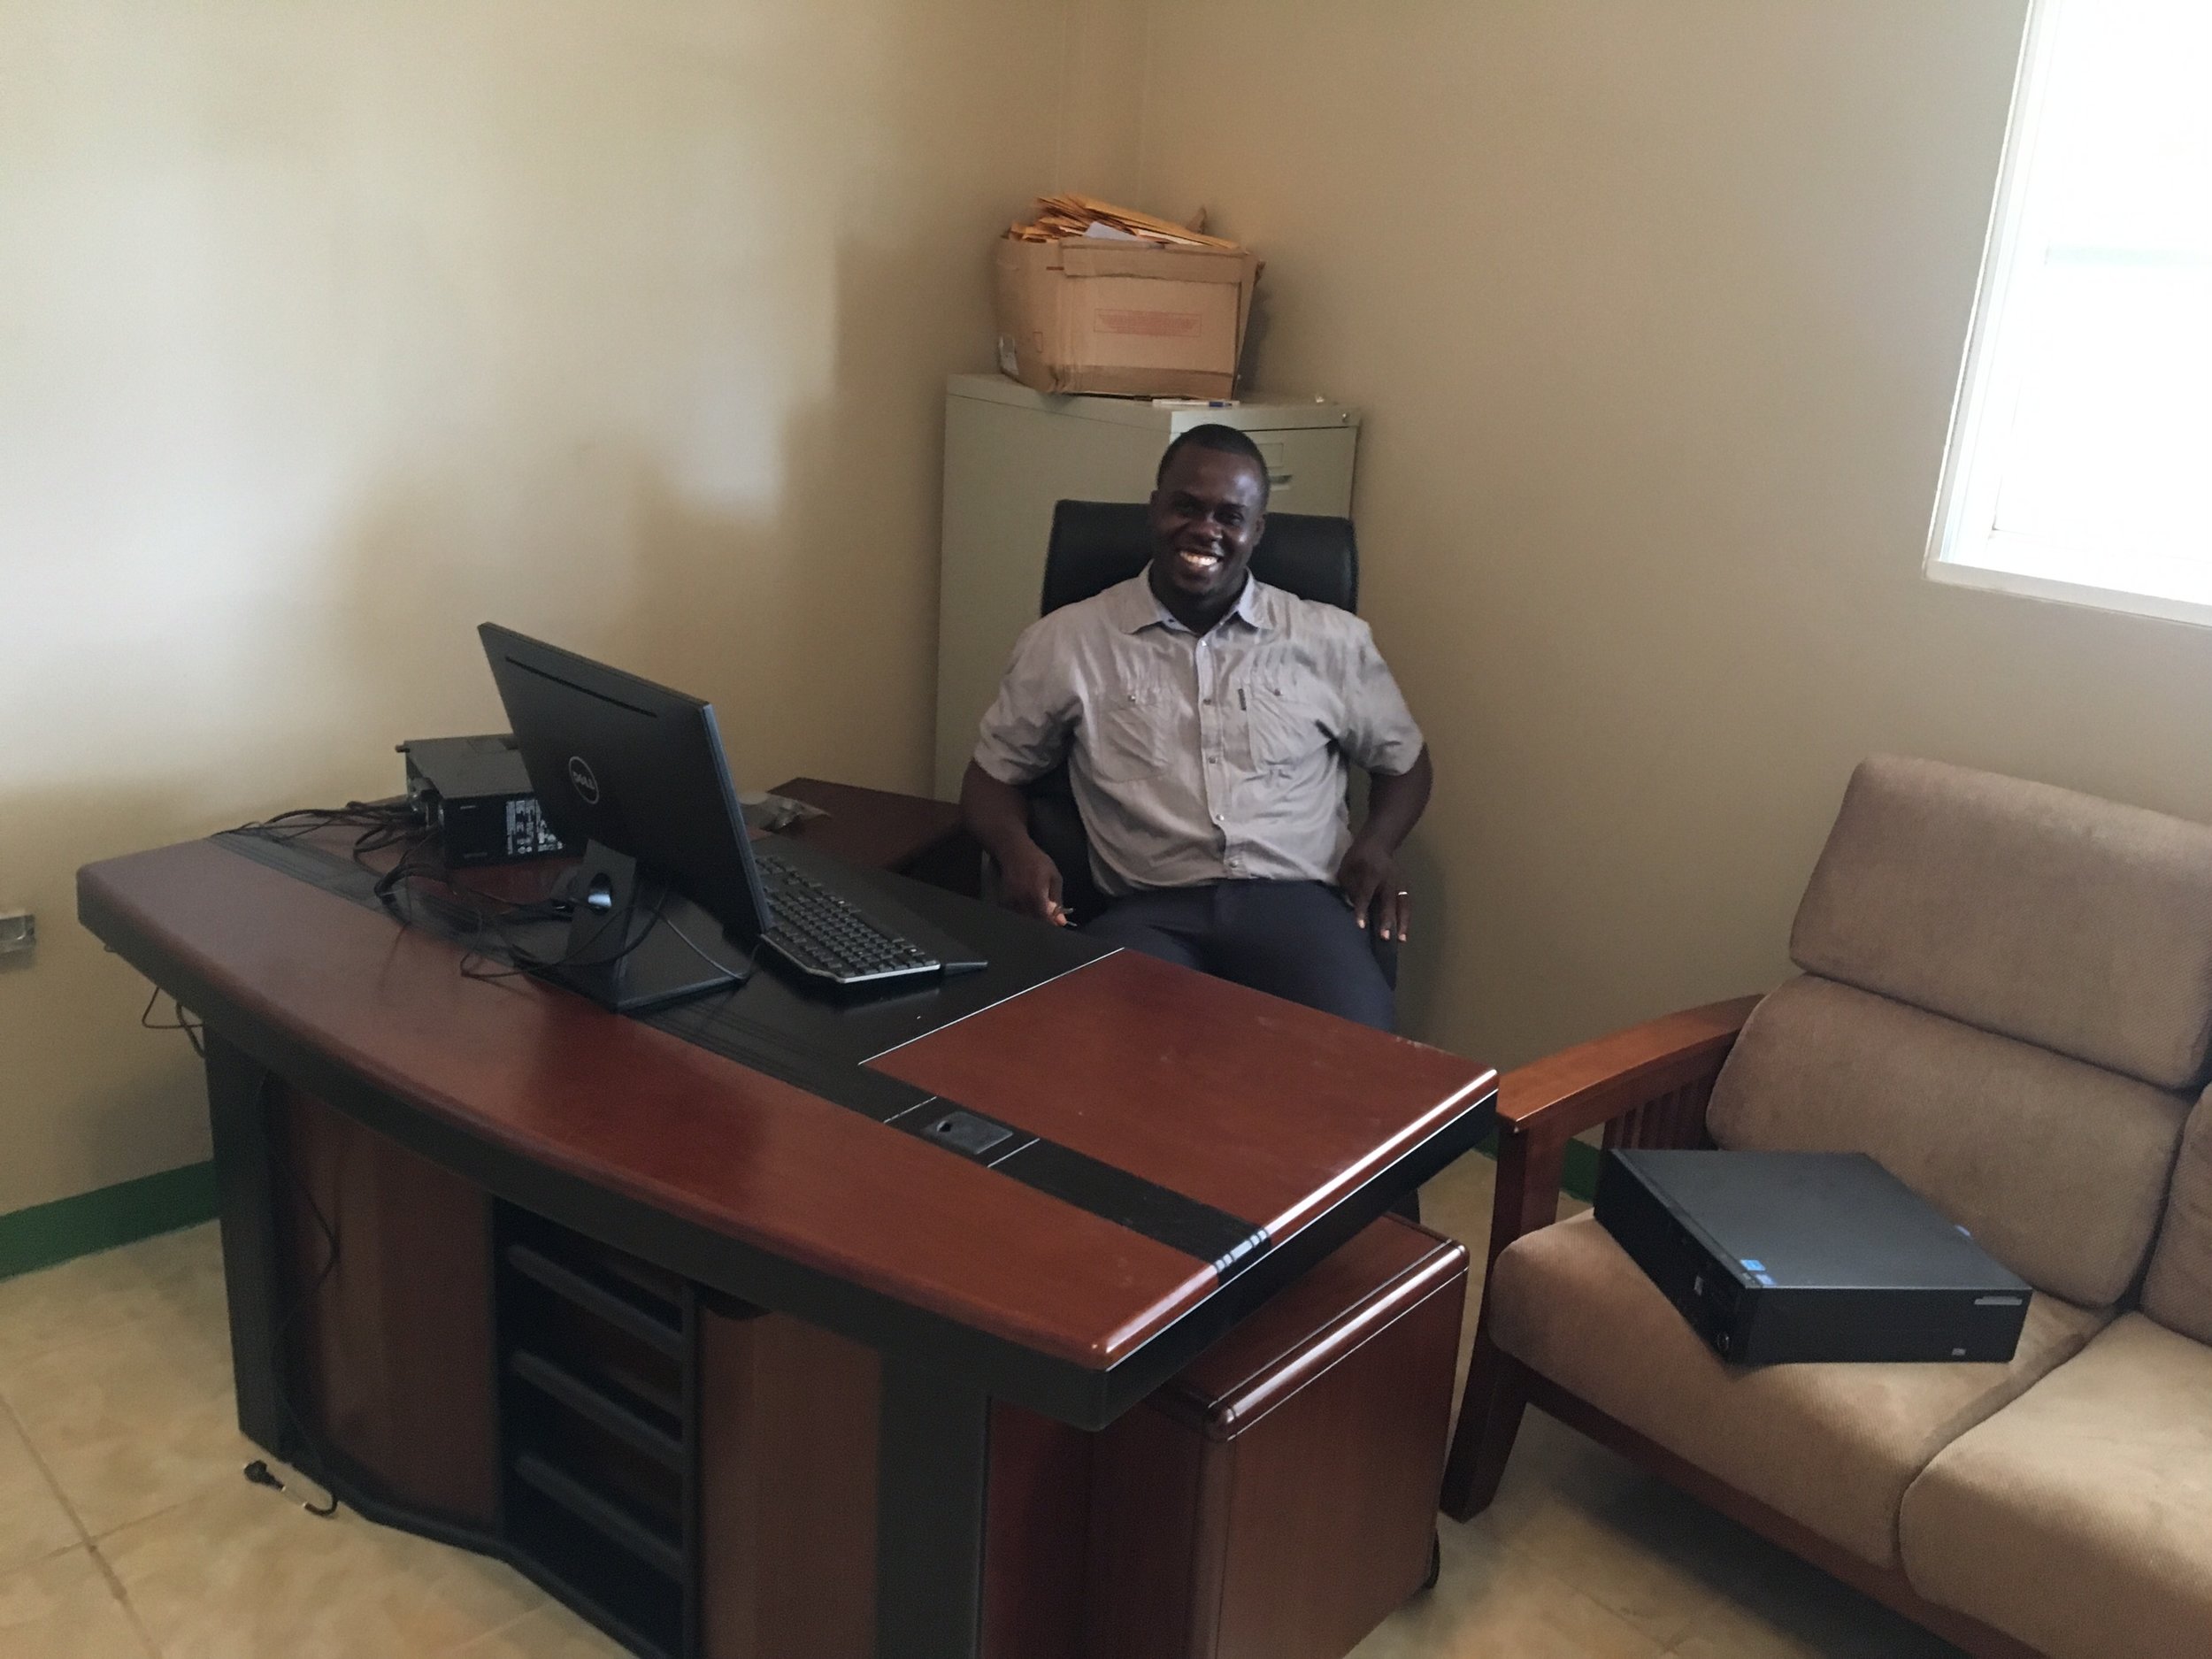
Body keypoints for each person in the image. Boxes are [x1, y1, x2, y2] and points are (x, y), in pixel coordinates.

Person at [960, 424, 1432, 1034]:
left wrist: (1377, 844)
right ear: (1154, 508)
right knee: (1096, 1057)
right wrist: (1015, 850)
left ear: (1257, 531)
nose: (1206, 529)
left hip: (1297, 908)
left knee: (1356, 1064)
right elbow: (990, 777)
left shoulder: (1330, 639)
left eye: (1229, 515)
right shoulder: (1068, 641)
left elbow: (1406, 763)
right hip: (1149, 913)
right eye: (1187, 506)